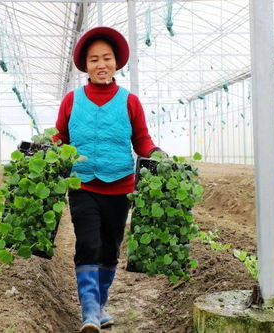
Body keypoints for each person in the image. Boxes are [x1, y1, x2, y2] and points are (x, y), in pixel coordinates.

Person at [53, 27, 165, 333]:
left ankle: (100, 305)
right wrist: (44, 149)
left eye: (107, 58)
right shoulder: (71, 100)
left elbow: (142, 140)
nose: (101, 65)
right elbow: (60, 138)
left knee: (110, 248)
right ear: (85, 66)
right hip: (83, 185)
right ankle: (89, 311)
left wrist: (157, 153)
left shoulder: (130, 101)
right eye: (94, 60)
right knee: (88, 243)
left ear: (116, 63)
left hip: (120, 186)